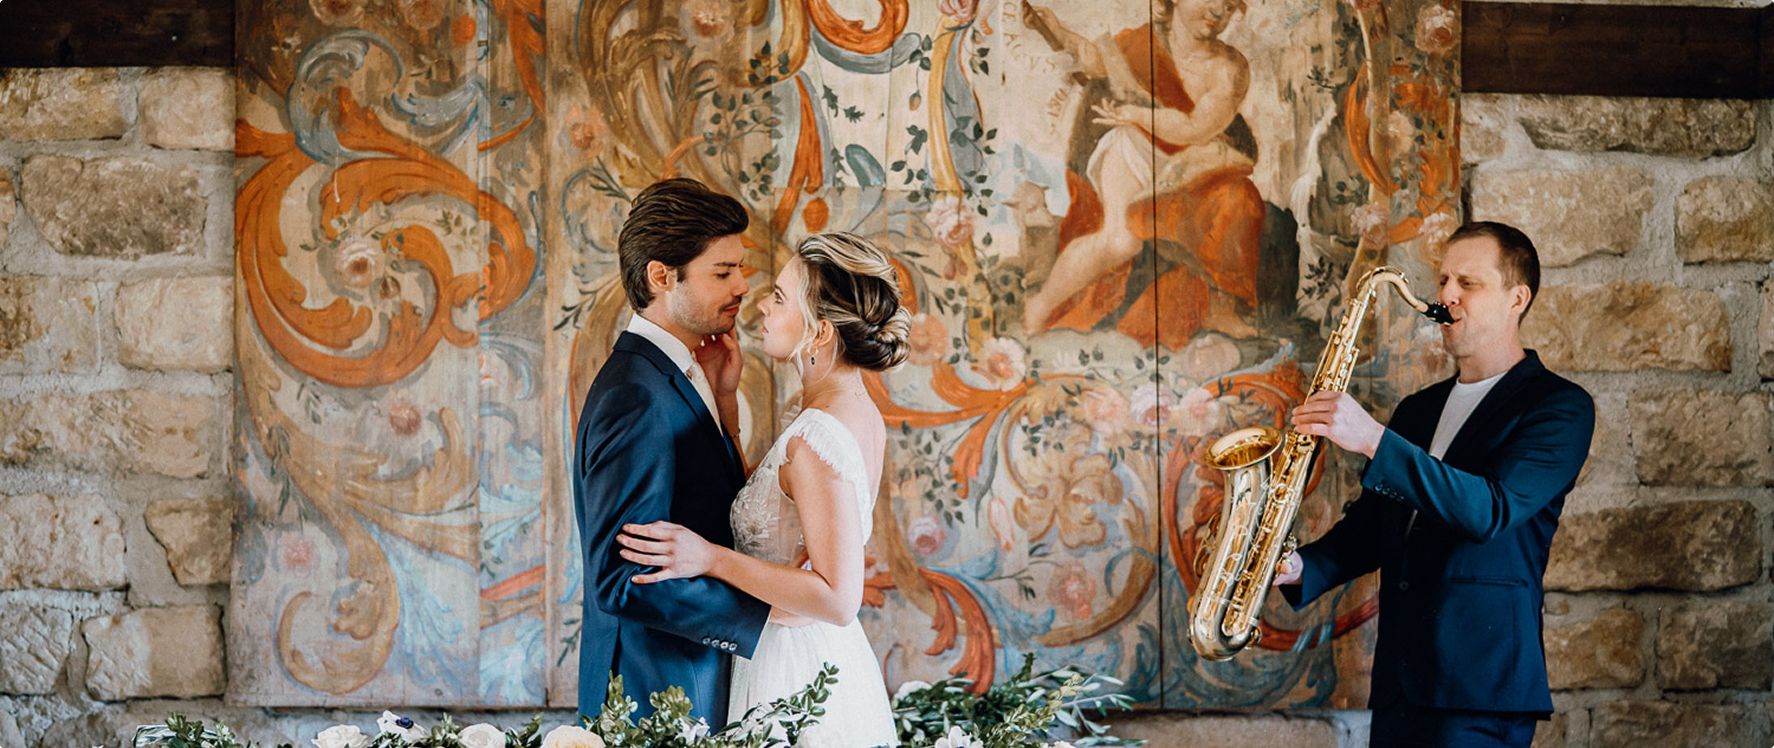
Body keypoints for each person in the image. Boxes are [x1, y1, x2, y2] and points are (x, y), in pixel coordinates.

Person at [1276, 222, 1594, 747]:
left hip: (1480, 691)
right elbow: (1373, 529)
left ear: (1517, 299)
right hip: (1400, 686)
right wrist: (1299, 567)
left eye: (1468, 283)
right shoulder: (1417, 410)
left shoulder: (1559, 407)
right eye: (1443, 279)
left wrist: (1372, 439)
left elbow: (1491, 510)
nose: (1446, 294)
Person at [616, 232, 909, 746]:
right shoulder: (839, 411)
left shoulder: (817, 437)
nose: (761, 308)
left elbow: (838, 597)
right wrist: (726, 406)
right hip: (789, 648)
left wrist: (710, 558)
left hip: (794, 671)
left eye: (779, 298)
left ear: (819, 331)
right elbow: (776, 513)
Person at [572, 178, 772, 725]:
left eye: (739, 269)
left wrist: (725, 407)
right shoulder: (635, 394)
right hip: (654, 693)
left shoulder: (678, 372)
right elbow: (622, 577)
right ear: (661, 277)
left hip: (685, 680)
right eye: (722, 272)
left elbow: (711, 508)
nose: (742, 285)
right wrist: (765, 615)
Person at [1022, 0, 1264, 346]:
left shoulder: (1229, 68)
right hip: (1133, 149)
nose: (1217, 11)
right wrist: (1056, 30)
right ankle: (1041, 305)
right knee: (1119, 239)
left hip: (1192, 164)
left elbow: (1196, 129)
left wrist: (1136, 113)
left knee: (1240, 201)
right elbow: (1094, 61)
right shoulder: (1140, 43)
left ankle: (1221, 307)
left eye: (1228, 6)